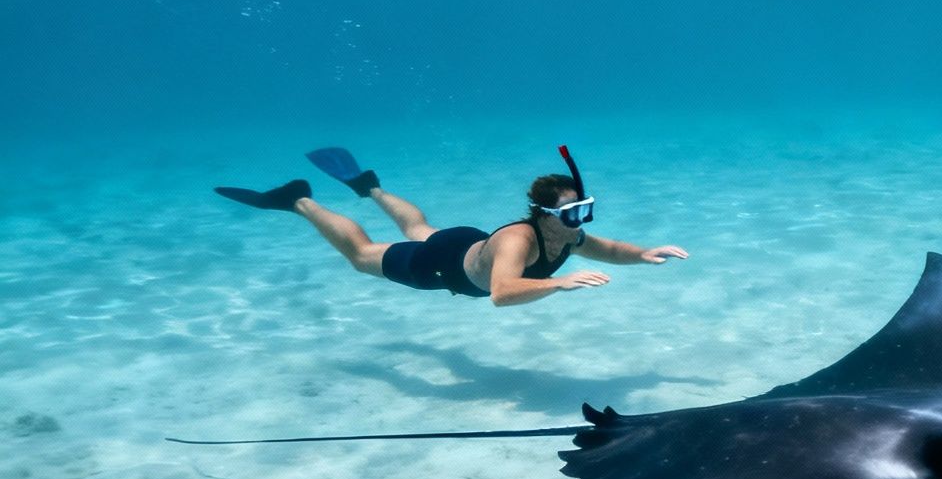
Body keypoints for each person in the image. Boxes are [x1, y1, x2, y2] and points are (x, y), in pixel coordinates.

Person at [214, 146, 688, 306]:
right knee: (363, 257)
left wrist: (644, 253)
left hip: (466, 244)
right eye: (572, 213)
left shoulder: (567, 234)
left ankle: (370, 187)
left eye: (585, 209)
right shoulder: (520, 242)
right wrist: (560, 284)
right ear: (546, 215)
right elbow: (501, 293)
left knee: (421, 226)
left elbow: (607, 248)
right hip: (442, 267)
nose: (581, 222)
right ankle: (298, 201)